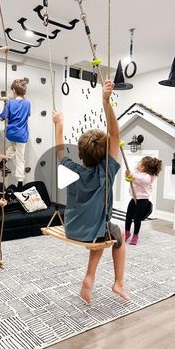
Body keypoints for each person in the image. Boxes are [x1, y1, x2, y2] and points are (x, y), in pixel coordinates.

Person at [52, 79, 129, 303]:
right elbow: (115, 135)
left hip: (72, 229)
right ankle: (118, 282)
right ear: (105, 156)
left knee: (105, 230)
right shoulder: (105, 172)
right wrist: (105, 102)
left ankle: (90, 277)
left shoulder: (70, 168)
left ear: (80, 155)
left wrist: (59, 124)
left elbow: (59, 150)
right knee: (118, 235)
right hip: (93, 232)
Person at [0, 79, 31, 190]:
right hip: (21, 135)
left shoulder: (10, 103)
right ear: (24, 92)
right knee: (20, 159)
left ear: (14, 90)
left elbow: (1, 118)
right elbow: (28, 114)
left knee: (13, 148)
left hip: (11, 134)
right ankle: (20, 183)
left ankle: (3, 161)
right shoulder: (27, 103)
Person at [125, 156, 162, 245]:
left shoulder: (148, 177)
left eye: (140, 162)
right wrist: (128, 175)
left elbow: (142, 179)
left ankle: (135, 235)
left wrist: (132, 175)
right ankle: (127, 232)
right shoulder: (137, 173)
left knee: (137, 218)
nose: (138, 162)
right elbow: (133, 178)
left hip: (143, 200)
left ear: (143, 167)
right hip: (134, 198)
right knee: (128, 216)